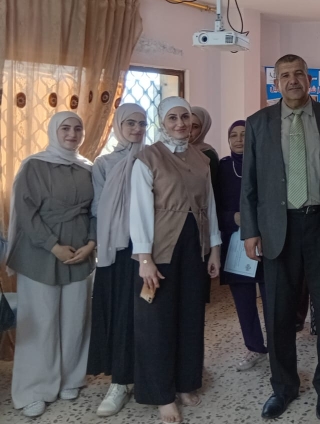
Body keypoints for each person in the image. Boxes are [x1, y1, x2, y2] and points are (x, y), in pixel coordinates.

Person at [240, 54, 320, 421]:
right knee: (278, 312)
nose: (292, 80)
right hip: (277, 228)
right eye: (284, 75)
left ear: (309, 79)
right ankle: (283, 387)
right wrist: (250, 231)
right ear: (276, 83)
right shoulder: (258, 123)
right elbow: (250, 182)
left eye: (298, 73)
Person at [129, 97, 221, 424]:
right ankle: (162, 394)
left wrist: (214, 248)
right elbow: (139, 210)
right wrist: (144, 259)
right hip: (160, 249)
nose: (180, 123)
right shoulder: (148, 157)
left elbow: (209, 205)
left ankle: (185, 383)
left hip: (193, 246)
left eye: (185, 117)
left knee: (191, 317)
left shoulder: (200, 158)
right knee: (157, 322)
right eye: (172, 118)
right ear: (162, 122)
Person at [6, 112, 95, 419]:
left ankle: (71, 378)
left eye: (78, 128)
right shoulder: (34, 165)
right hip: (40, 253)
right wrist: (52, 245)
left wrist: (91, 243)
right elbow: (26, 212)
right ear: (53, 131)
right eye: (65, 128)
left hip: (80, 252)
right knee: (41, 321)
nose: (72, 133)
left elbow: (97, 210)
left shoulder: (87, 168)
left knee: (75, 318)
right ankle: (34, 389)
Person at [87, 104, 147, 417]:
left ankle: (149, 374)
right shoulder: (104, 163)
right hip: (118, 249)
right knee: (121, 313)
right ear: (119, 126)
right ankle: (120, 381)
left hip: (149, 247)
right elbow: (98, 208)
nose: (136, 129)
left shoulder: (153, 157)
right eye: (130, 123)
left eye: (142, 123)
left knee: (149, 313)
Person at [217, 120, 269, 371]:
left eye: (244, 134)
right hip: (235, 244)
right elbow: (212, 206)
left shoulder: (264, 163)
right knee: (244, 301)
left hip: (265, 240)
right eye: (233, 135)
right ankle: (255, 347)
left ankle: (278, 348)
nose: (238, 139)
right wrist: (233, 218)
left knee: (272, 298)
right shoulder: (222, 168)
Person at [189, 106, 220, 182]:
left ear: (203, 129)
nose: (189, 130)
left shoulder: (208, 154)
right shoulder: (174, 151)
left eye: (195, 127)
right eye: (187, 125)